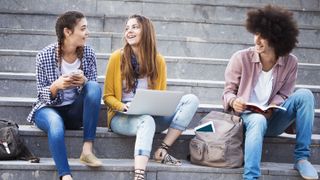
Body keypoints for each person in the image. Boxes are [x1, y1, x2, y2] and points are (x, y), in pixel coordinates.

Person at [223, 5, 318, 180]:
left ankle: (302, 159)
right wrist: (233, 101)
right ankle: (251, 176)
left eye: (263, 36)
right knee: (257, 119)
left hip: (273, 118)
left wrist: (275, 105)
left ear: (277, 39)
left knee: (305, 95)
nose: (257, 40)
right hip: (246, 120)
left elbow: (285, 93)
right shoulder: (240, 58)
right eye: (256, 34)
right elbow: (227, 92)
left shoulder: (291, 62)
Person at [103, 14, 199, 180]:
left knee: (191, 100)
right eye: (127, 28)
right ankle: (139, 175)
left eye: (135, 27)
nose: (129, 31)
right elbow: (107, 96)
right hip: (122, 116)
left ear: (146, 31)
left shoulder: (158, 61)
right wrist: (122, 106)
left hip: (150, 115)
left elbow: (158, 96)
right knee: (146, 120)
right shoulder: (116, 57)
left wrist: (154, 107)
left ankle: (162, 149)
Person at [26, 11, 102, 180]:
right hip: (48, 109)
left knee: (94, 87)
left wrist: (84, 81)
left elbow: (93, 94)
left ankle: (87, 150)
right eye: (83, 29)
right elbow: (41, 94)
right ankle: (65, 175)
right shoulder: (44, 55)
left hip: (74, 111)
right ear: (68, 32)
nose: (87, 33)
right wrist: (56, 86)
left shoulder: (88, 53)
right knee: (55, 124)